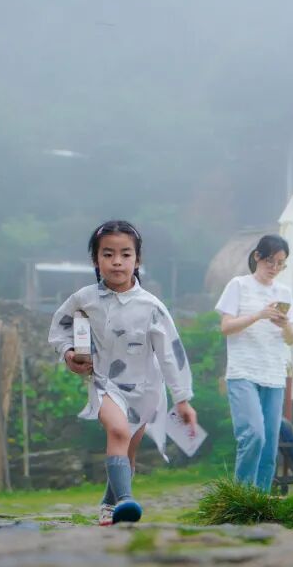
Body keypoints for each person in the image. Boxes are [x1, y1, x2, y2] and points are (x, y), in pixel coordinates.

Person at [48, 220, 197, 526]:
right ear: (95, 259)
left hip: (146, 389)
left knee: (128, 451)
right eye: (108, 254)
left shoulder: (151, 307)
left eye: (125, 254)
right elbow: (60, 328)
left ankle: (109, 506)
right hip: (105, 383)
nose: (117, 261)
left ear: (137, 260)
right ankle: (127, 500)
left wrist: (182, 399)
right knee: (118, 432)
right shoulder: (84, 299)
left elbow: (170, 353)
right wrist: (68, 353)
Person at [214, 234, 293, 491]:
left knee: (270, 445)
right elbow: (226, 327)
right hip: (243, 372)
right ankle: (240, 496)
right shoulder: (238, 285)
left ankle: (260, 501)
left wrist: (284, 325)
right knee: (253, 435)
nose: (274, 268)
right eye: (270, 261)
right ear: (257, 256)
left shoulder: (284, 292)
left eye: (281, 263)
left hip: (274, 373)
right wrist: (259, 315)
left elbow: (291, 339)